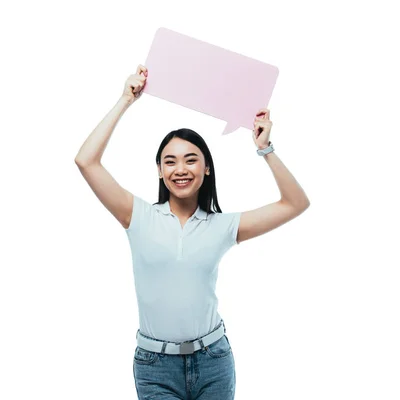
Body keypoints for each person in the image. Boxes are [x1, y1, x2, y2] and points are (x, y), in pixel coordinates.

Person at [74, 64, 310, 400]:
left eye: (190, 160)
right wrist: (125, 101)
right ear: (159, 171)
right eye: (169, 161)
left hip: (213, 362)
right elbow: (86, 161)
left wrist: (265, 148)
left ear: (206, 167)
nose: (180, 169)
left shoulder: (223, 226)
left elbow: (295, 203)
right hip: (155, 367)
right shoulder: (137, 216)